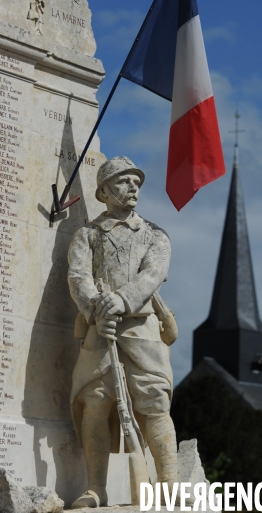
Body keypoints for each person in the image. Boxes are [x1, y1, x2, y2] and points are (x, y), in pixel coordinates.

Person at [68, 156, 177, 509]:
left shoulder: (154, 234)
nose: (133, 188)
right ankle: (96, 488)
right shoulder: (87, 233)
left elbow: (153, 274)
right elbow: (78, 276)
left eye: (137, 183)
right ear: (103, 191)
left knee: (154, 402)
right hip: (100, 329)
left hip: (142, 329)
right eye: (123, 181)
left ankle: (169, 486)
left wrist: (121, 300)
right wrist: (98, 308)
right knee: (95, 403)